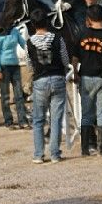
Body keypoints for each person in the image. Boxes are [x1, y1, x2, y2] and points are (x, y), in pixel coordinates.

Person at [26, 9, 69, 164]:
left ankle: (38, 155)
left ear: (32, 24)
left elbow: (29, 65)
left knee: (38, 119)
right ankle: (55, 154)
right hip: (58, 78)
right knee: (56, 119)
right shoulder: (58, 38)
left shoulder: (29, 42)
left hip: (40, 81)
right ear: (47, 22)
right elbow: (65, 59)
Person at [72, 4, 102, 156]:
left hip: (86, 77)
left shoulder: (81, 33)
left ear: (88, 19)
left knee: (86, 113)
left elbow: (75, 57)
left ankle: (85, 149)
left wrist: (75, 73)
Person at [0, 26, 30, 130]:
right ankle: (9, 121)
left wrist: (30, 51)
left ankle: (22, 121)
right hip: (3, 67)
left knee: (19, 95)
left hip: (15, 65)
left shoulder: (15, 31)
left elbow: (23, 44)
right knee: (5, 96)